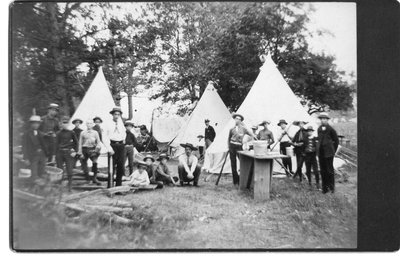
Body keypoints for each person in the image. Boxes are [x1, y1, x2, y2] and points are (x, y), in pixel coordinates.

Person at [228, 113, 255, 186]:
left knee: (243, 162)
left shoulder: (244, 129)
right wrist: (229, 147)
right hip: (232, 146)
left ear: (241, 121)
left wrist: (252, 140)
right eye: (236, 119)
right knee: (233, 164)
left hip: (239, 146)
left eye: (239, 119)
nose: (237, 120)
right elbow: (229, 138)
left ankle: (243, 179)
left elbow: (252, 135)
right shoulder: (231, 129)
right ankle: (235, 181)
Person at [103, 107, 126, 187]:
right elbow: (104, 137)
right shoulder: (108, 123)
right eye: (115, 114)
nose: (117, 116)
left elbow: (124, 132)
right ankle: (110, 186)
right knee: (111, 167)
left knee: (121, 167)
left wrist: (123, 139)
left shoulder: (120, 123)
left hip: (121, 146)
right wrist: (109, 148)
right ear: (112, 114)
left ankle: (118, 187)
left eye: (118, 115)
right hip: (112, 146)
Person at [317, 112, 339, 194]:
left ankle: (332, 188)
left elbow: (336, 141)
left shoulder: (331, 129)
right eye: (322, 119)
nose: (323, 120)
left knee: (329, 170)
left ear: (327, 120)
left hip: (329, 153)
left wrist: (333, 150)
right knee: (323, 171)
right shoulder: (319, 129)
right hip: (321, 153)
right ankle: (324, 189)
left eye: (325, 119)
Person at [22, 115, 48, 182]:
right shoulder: (26, 134)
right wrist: (26, 158)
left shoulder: (40, 133)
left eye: (37, 123)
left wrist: (46, 154)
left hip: (41, 154)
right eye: (34, 123)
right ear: (31, 124)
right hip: (32, 155)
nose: (36, 125)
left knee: (42, 168)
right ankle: (33, 183)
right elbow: (24, 147)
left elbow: (44, 144)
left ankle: (41, 184)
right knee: (33, 170)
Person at [55, 116, 79, 191]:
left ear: (68, 124)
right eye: (63, 123)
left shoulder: (71, 132)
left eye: (66, 123)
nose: (65, 124)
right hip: (60, 153)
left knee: (69, 170)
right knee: (60, 170)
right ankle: (60, 186)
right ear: (61, 124)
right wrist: (55, 154)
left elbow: (76, 143)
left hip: (68, 153)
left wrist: (74, 151)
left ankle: (70, 186)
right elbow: (56, 144)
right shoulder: (58, 133)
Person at [77, 119, 102, 184]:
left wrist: (96, 150)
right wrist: (80, 152)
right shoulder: (82, 133)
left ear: (93, 124)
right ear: (86, 124)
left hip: (92, 149)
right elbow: (80, 143)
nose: (89, 125)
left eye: (90, 123)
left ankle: (94, 178)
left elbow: (98, 143)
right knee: (83, 163)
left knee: (95, 162)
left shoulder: (95, 132)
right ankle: (87, 178)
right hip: (84, 149)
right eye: (87, 123)